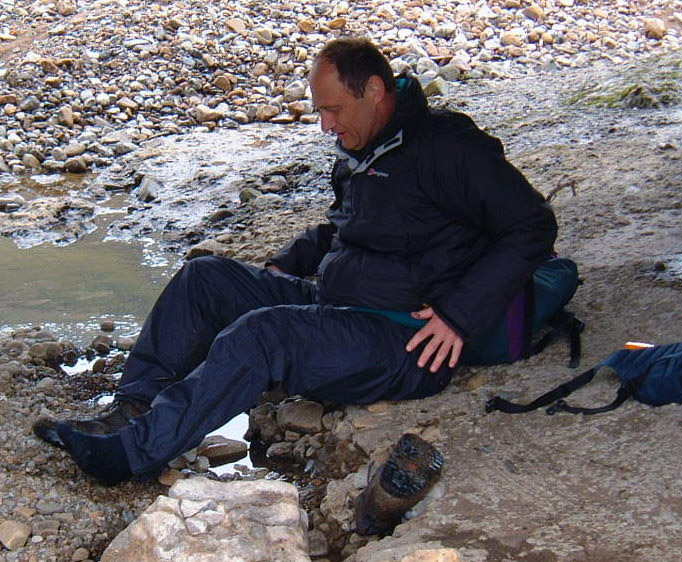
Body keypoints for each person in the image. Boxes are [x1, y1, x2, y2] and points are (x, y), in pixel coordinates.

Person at [33, 37, 557, 485]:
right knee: (205, 277)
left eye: (333, 110)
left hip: (405, 338)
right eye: (320, 111)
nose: (326, 126)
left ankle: (131, 456)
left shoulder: (448, 148)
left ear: (375, 91)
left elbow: (531, 225)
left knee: (263, 333)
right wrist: (287, 263)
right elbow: (343, 228)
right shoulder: (364, 147)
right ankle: (132, 411)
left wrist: (459, 315)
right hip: (339, 305)